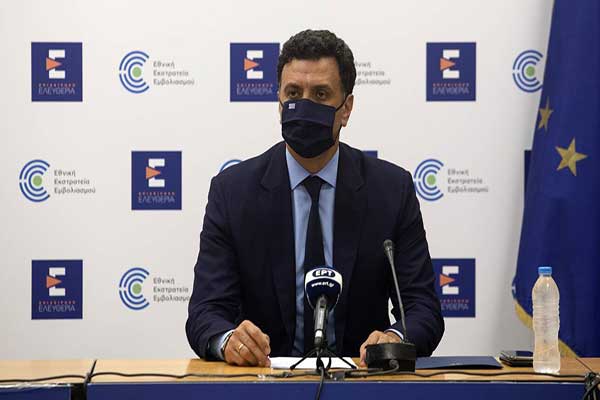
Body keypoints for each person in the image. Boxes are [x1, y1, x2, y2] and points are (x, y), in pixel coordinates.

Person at [186, 29, 444, 367]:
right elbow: (205, 312)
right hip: (264, 381)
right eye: (293, 92)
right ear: (279, 101)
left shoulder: (391, 190)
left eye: (320, 94)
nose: (304, 105)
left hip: (361, 381)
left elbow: (422, 308)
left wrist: (393, 339)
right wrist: (230, 340)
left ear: (346, 108)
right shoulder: (233, 192)